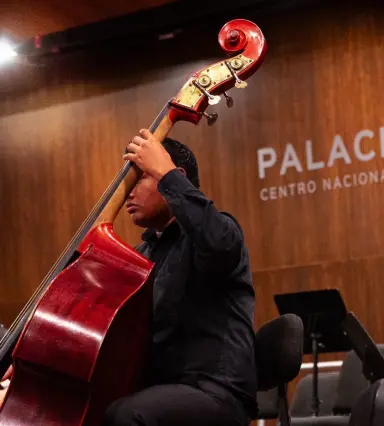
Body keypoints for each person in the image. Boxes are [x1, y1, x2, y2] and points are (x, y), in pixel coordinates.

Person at [0, 130, 258, 425]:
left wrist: (167, 173)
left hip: (216, 392)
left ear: (174, 175)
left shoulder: (220, 231)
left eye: (140, 177)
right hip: (158, 391)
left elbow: (216, 243)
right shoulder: (141, 256)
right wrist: (38, 367)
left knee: (124, 416)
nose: (128, 192)